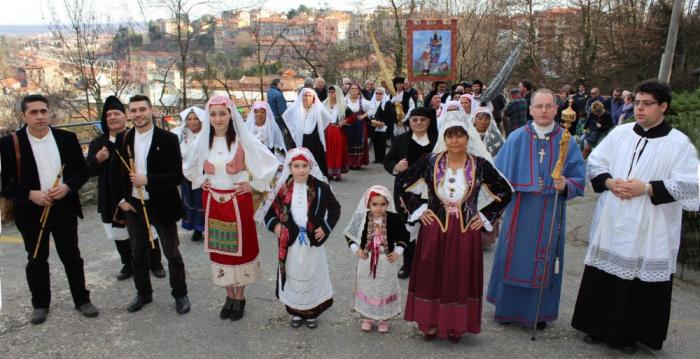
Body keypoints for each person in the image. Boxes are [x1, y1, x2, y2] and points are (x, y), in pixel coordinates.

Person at [571, 80, 699, 354]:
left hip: (650, 223)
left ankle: (629, 334)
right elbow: (596, 162)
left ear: (663, 106)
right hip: (614, 216)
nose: (639, 109)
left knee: (638, 279)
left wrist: (648, 187)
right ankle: (595, 326)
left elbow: (691, 185)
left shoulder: (678, 144)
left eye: (646, 104)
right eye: (637, 103)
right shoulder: (622, 133)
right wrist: (608, 183)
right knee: (604, 272)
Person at [399, 109, 513, 342]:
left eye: (459, 135)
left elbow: (505, 191)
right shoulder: (429, 161)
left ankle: (455, 324)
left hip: (465, 232)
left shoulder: (480, 164)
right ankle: (429, 322)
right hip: (434, 229)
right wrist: (420, 210)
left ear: (467, 137)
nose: (454, 140)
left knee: (458, 275)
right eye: (450, 135)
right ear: (444, 137)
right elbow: (403, 182)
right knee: (432, 274)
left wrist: (485, 216)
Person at [487, 89, 586, 331]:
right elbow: (498, 176)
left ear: (556, 109)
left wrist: (566, 185)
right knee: (513, 255)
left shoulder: (566, 139)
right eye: (539, 106)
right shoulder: (517, 137)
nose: (543, 111)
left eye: (548, 106)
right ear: (530, 109)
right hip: (520, 210)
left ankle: (538, 312)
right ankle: (508, 309)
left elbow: (579, 177)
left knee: (543, 259)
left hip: (549, 211)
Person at [0, 94, 98, 324]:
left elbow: (82, 171)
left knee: (72, 255)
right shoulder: (8, 143)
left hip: (63, 206)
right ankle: (40, 304)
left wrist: (67, 187)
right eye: (34, 112)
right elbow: (3, 182)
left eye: (43, 111)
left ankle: (82, 299)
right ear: (23, 115)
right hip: (30, 210)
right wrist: (29, 194)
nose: (40, 116)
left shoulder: (67, 138)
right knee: (36, 257)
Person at [195, 95, 278, 321]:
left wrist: (253, 185)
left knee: (241, 249)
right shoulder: (204, 142)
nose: (218, 118)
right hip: (214, 201)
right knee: (221, 248)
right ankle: (228, 294)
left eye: (222, 113)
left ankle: (239, 296)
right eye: (213, 114)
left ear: (231, 114)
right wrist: (200, 179)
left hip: (237, 201)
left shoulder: (243, 140)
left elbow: (271, 163)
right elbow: (188, 163)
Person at [115, 95, 190, 315]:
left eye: (142, 109)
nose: (138, 114)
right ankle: (143, 294)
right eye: (134, 110)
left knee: (171, 252)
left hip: (161, 203)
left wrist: (147, 180)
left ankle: (180, 293)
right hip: (134, 205)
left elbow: (176, 176)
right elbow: (116, 173)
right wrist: (122, 200)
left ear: (151, 111)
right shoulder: (124, 138)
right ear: (129, 114)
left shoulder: (168, 139)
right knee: (137, 252)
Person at [257, 147, 341, 329]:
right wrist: (275, 225)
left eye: (304, 166)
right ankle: (295, 310)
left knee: (311, 274)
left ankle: (312, 312)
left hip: (312, 244)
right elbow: (267, 211)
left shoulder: (321, 187)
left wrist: (325, 227)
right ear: (290, 167)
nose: (301, 170)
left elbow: (335, 209)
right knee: (293, 274)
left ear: (310, 167)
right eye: (296, 166)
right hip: (290, 243)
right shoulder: (281, 189)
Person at [88, 96, 165, 280]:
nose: (113, 117)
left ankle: (155, 263)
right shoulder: (98, 143)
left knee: (148, 229)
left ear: (125, 116)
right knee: (118, 233)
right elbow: (88, 171)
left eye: (117, 113)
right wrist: (97, 159)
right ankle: (127, 263)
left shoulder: (134, 137)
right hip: (109, 194)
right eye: (108, 115)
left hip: (135, 192)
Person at [344, 185, 408, 333]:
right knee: (367, 287)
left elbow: (404, 236)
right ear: (368, 204)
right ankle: (367, 316)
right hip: (367, 260)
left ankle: (384, 318)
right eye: (375, 204)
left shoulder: (393, 218)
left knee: (384, 288)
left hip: (386, 261)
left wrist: (398, 250)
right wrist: (356, 249)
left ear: (388, 204)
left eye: (383, 204)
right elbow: (349, 234)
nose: (379, 208)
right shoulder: (362, 217)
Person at [383, 107, 438, 279]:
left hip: (432, 192)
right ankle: (408, 265)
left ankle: (430, 268)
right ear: (409, 122)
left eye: (423, 119)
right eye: (415, 120)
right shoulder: (400, 140)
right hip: (406, 194)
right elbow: (388, 159)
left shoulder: (438, 140)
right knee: (409, 231)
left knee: (431, 230)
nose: (419, 123)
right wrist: (395, 167)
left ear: (429, 121)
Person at [171, 106, 207, 242]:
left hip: (201, 174)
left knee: (201, 201)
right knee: (190, 201)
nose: (192, 122)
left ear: (201, 121)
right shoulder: (182, 134)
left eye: (195, 119)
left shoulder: (206, 135)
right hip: (186, 174)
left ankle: (201, 228)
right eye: (190, 119)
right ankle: (194, 226)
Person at [282, 88, 333, 177]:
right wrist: (293, 130)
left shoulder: (317, 109)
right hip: (299, 141)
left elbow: (328, 117)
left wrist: (321, 128)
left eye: (310, 96)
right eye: (305, 95)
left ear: (313, 98)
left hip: (314, 142)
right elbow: (286, 116)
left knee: (316, 166)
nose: (307, 98)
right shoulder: (296, 109)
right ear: (301, 97)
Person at [245, 101, 287, 165]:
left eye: (262, 112)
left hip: (269, 155)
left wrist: (279, 162)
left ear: (266, 114)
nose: (259, 114)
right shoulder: (248, 126)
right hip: (253, 155)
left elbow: (279, 143)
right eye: (257, 112)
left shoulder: (273, 126)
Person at [344, 83, 374, 170]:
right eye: (352, 89)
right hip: (348, 126)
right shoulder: (345, 101)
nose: (353, 90)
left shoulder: (362, 101)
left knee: (359, 143)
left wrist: (364, 116)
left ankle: (357, 163)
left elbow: (372, 108)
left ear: (359, 91)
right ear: (349, 90)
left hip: (360, 126)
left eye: (355, 89)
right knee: (348, 143)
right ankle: (349, 163)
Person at [323, 85, 349, 181]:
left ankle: (338, 173)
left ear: (337, 93)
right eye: (329, 92)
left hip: (338, 130)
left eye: (332, 92)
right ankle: (329, 172)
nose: (330, 94)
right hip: (327, 130)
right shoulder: (324, 104)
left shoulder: (342, 105)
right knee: (329, 151)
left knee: (338, 151)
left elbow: (352, 116)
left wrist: (343, 122)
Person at [368, 87, 395, 164]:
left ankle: (383, 158)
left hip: (383, 126)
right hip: (373, 125)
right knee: (375, 141)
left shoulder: (387, 103)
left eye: (380, 93)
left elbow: (390, 115)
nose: (378, 95)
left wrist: (383, 123)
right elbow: (369, 112)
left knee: (382, 142)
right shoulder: (372, 102)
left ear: (383, 94)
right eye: (377, 93)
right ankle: (377, 158)